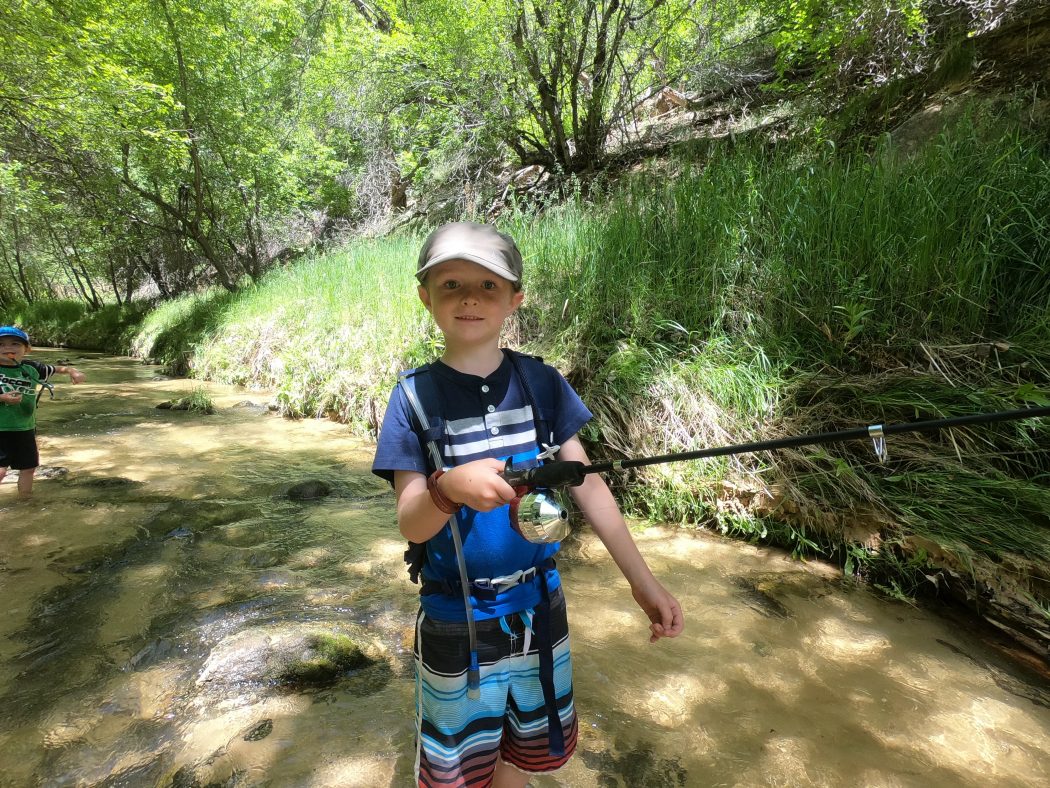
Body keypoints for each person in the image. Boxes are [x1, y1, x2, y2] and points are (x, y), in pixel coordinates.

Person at [372, 222, 684, 788]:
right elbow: (411, 520)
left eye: (489, 286)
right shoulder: (411, 399)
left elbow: (588, 485)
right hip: (454, 618)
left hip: (541, 609)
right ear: (426, 297)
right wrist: (447, 488)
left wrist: (643, 583)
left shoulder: (542, 384)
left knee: (523, 757)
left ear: (515, 299)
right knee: (458, 772)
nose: (469, 297)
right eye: (451, 285)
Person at [0, 326, 85, 497]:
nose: (8, 348)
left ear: (27, 349)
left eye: (15, 343)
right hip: (1, 429)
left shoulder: (32, 368)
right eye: (1, 344)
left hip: (25, 428)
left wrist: (72, 371)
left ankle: (25, 501)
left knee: (28, 467)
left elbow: (57, 369)